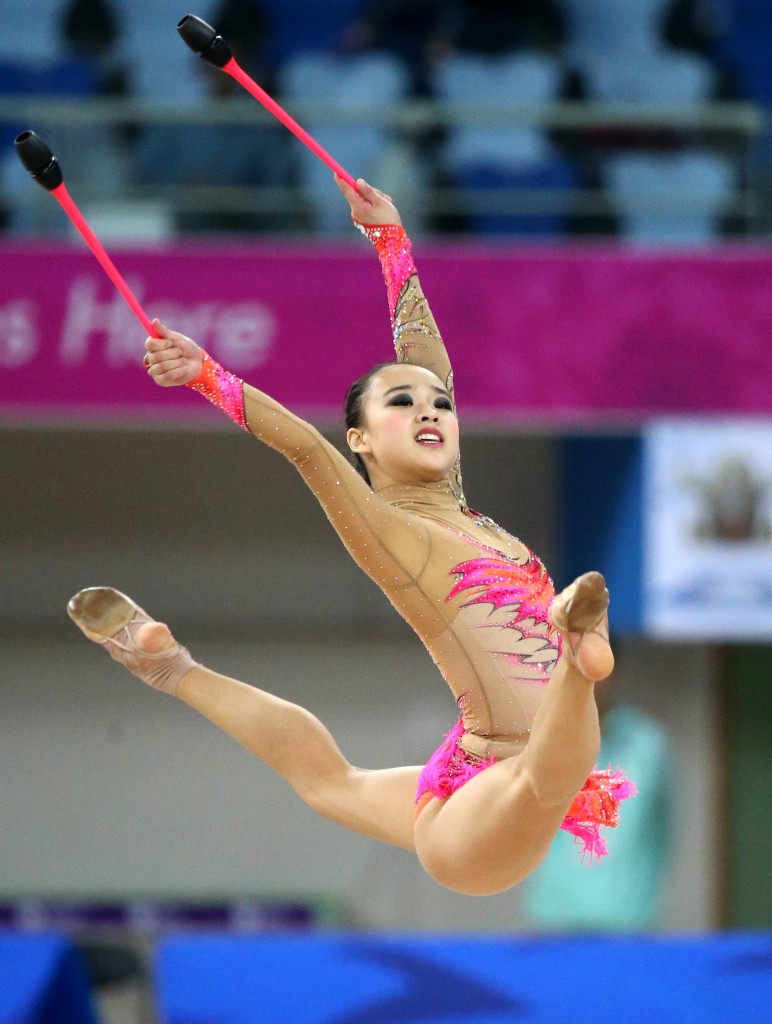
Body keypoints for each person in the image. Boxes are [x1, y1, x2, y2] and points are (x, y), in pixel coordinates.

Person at [68, 178, 634, 896]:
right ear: (360, 438)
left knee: (331, 783)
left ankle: (168, 668)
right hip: (491, 813)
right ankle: (583, 660)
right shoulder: (395, 534)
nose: (430, 408)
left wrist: (391, 239)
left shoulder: (460, 509)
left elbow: (427, 360)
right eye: (402, 404)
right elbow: (307, 447)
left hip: (467, 764)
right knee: (542, 779)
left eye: (441, 405)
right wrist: (206, 375)